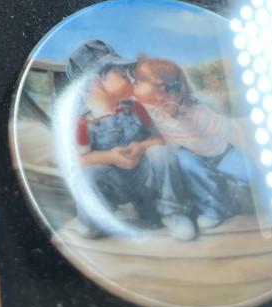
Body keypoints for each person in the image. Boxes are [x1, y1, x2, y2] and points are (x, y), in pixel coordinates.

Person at [64, 40, 194, 241]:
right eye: (122, 75)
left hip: (143, 181)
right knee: (87, 175)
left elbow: (159, 140)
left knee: (161, 153)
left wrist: (141, 146)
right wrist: (110, 157)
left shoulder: (135, 108)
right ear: (96, 81)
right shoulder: (83, 121)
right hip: (113, 182)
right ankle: (96, 217)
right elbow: (79, 160)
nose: (130, 80)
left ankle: (172, 212)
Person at [133, 56, 255, 232]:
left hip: (221, 152)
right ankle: (213, 211)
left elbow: (227, 129)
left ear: (159, 87)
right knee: (187, 162)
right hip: (194, 156)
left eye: (138, 82)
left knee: (247, 171)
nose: (134, 85)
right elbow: (133, 101)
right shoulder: (152, 112)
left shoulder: (196, 110)